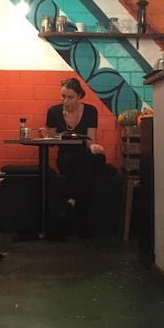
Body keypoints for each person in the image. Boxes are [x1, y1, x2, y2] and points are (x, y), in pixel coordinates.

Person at [38, 78, 106, 236]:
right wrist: (48, 135)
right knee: (87, 167)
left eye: (70, 97)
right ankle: (75, 209)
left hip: (85, 154)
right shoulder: (53, 111)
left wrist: (94, 146)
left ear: (79, 96)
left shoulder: (90, 111)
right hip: (66, 156)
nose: (65, 101)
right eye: (63, 96)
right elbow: (53, 141)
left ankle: (71, 200)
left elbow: (90, 140)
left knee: (99, 158)